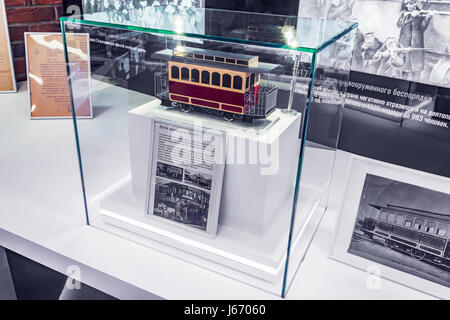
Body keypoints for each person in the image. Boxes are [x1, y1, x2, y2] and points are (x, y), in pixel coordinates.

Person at [397, 0, 433, 81]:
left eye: (412, 3)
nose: (410, 6)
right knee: (405, 68)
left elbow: (422, 28)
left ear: (416, 4)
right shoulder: (403, 13)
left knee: (416, 69)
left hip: (417, 45)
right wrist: (411, 17)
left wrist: (428, 17)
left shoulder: (419, 14)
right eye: (408, 4)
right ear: (405, 5)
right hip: (405, 44)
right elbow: (399, 24)